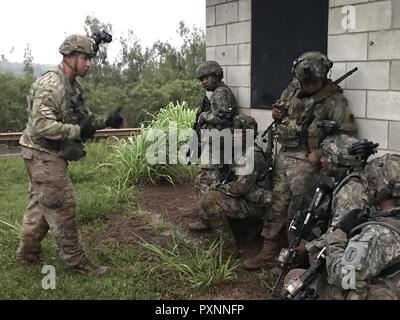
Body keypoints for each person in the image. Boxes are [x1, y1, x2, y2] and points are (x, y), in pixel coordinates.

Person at [16, 34, 123, 276]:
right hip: (43, 153)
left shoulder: (73, 84)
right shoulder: (52, 85)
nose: (89, 64)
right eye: (84, 58)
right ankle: (78, 264)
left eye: (90, 58)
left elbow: (82, 118)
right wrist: (77, 130)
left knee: (41, 206)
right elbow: (41, 125)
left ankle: (26, 254)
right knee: (62, 205)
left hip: (42, 152)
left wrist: (106, 122)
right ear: (70, 57)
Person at [243, 51, 358, 270]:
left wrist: (322, 154)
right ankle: (269, 251)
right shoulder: (295, 86)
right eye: (304, 81)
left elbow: (348, 134)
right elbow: (282, 106)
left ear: (323, 77)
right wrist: (277, 112)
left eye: (312, 83)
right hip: (284, 156)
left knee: (301, 213)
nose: (307, 86)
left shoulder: (334, 100)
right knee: (276, 205)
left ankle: (297, 259)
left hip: (307, 163)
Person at [284, 154, 400, 300]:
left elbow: (342, 277)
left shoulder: (377, 233)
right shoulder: (390, 220)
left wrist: (339, 232)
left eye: (370, 184)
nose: (366, 188)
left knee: (294, 277)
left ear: (378, 189)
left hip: (380, 291)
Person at [188, 115, 271, 250]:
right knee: (210, 196)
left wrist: (219, 188)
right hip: (247, 198)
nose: (233, 136)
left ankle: (227, 248)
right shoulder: (242, 151)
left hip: (254, 204)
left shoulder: (252, 155)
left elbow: (240, 188)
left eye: (237, 133)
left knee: (210, 199)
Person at [194, 60, 238, 195]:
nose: (204, 82)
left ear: (215, 76)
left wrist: (204, 117)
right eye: (202, 79)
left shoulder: (219, 93)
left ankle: (209, 207)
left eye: (206, 78)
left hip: (217, 143)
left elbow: (223, 117)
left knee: (207, 180)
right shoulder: (222, 91)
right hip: (220, 142)